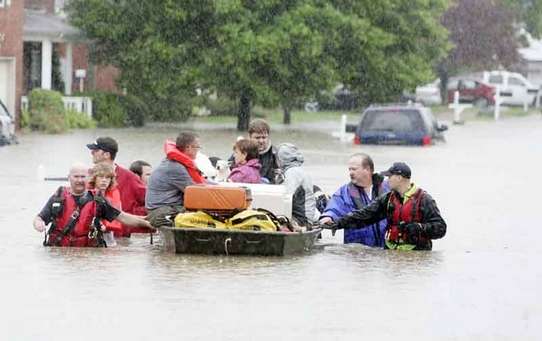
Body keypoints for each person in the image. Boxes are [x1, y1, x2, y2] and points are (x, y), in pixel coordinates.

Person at [322, 162, 446, 250]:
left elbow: (441, 228)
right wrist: (339, 223)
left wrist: (419, 227)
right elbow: (364, 215)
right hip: (391, 254)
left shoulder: (424, 200)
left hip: (417, 256)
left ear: (399, 178)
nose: (387, 180)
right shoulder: (388, 199)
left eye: (389, 176)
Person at [33, 163, 153, 247]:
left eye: (83, 177)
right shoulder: (58, 197)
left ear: (88, 178)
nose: (79, 180)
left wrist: (148, 224)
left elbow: (122, 217)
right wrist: (38, 224)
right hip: (59, 251)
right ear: (69, 178)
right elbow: (39, 218)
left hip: (88, 252)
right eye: (76, 176)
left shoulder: (98, 200)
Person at [319, 153, 390, 247]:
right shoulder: (344, 192)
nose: (351, 173)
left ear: (367, 169)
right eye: (350, 169)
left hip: (385, 249)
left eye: (354, 169)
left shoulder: (388, 188)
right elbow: (334, 208)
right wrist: (328, 217)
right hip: (356, 251)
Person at [86, 137, 149, 237]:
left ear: (106, 154)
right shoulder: (88, 177)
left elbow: (151, 202)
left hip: (121, 239)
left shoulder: (129, 177)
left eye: (95, 150)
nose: (92, 153)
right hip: (95, 237)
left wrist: (133, 216)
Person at [145, 131, 205, 227]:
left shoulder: (177, 163)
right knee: (204, 215)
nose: (198, 150)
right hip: (161, 213)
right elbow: (194, 193)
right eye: (197, 147)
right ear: (188, 147)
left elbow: (202, 183)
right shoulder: (175, 167)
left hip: (168, 208)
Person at [276, 143, 319, 227]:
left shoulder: (293, 173)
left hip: (301, 219)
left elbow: (286, 197)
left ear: (281, 159)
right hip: (305, 216)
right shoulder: (296, 170)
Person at [229, 119, 280, 183]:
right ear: (249, 137)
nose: (261, 141)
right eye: (257, 138)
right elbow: (230, 170)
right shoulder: (240, 151)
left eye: (264, 137)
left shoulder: (274, 154)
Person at [87, 162, 123, 246]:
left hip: (109, 240)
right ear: (94, 178)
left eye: (107, 177)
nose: (104, 180)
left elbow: (120, 218)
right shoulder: (88, 196)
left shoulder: (113, 196)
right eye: (101, 177)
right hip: (92, 239)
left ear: (111, 180)